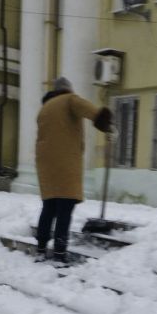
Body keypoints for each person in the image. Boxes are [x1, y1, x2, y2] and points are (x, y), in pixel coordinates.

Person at [35, 76, 112, 265]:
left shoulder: (44, 109)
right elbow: (91, 110)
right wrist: (107, 124)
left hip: (46, 165)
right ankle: (60, 253)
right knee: (65, 209)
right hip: (65, 164)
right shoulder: (69, 99)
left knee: (49, 208)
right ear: (67, 89)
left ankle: (41, 248)